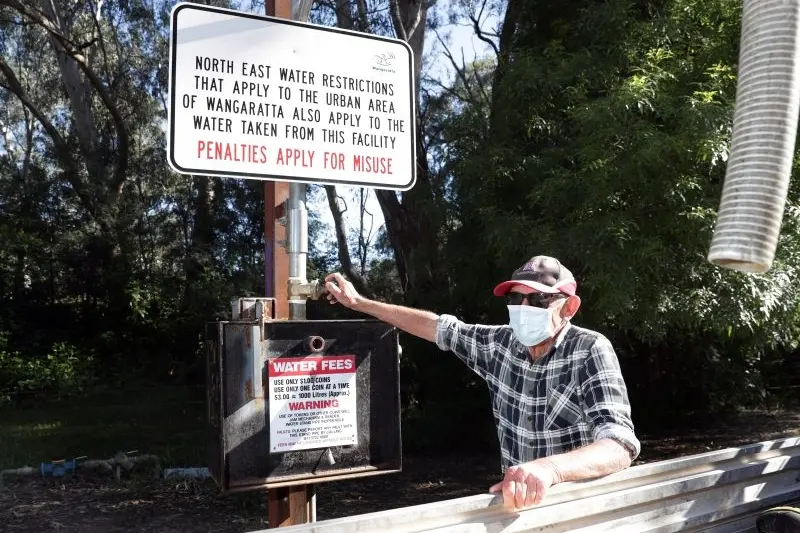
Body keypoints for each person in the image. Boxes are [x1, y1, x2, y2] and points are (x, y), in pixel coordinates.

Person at [324, 255, 640, 511]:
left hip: (578, 512)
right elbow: (437, 328)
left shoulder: (589, 349)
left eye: (540, 300)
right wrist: (360, 303)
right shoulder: (500, 344)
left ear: (570, 307)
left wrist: (549, 470)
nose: (525, 309)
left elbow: (619, 445)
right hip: (519, 509)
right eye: (518, 298)